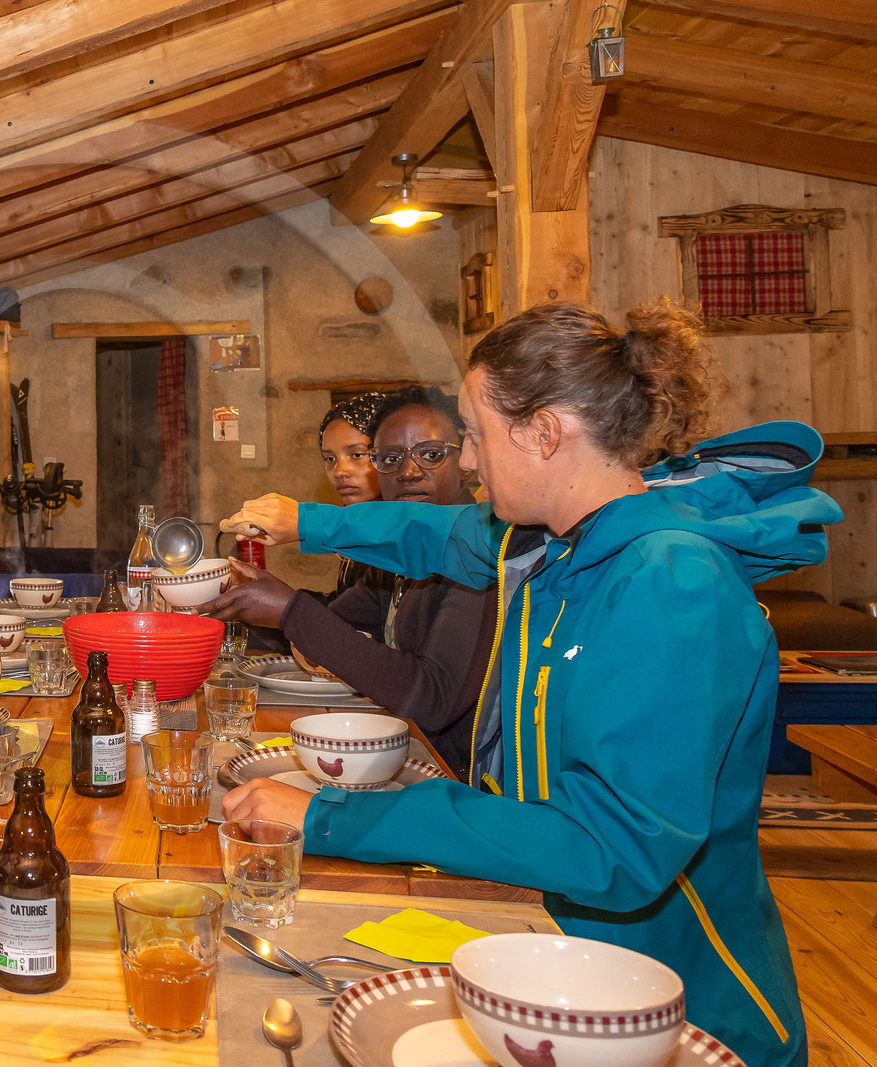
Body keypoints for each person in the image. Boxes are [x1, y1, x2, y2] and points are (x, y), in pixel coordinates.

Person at [222, 301, 836, 1067]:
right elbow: (433, 533)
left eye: (476, 434)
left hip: (671, 1012)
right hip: (548, 962)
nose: (469, 461)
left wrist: (331, 817)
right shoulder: (547, 544)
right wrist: (304, 521)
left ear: (545, 431)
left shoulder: (670, 584)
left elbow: (609, 847)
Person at [206, 387, 495, 774]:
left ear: (467, 460)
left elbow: (433, 697)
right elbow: (334, 620)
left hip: (449, 775)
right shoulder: (394, 558)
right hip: (398, 747)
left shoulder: (480, 558)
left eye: (431, 454)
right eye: (391, 459)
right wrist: (257, 598)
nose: (408, 471)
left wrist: (289, 610)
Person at [316, 392, 384, 594]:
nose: (339, 471)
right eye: (330, 459)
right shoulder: (358, 529)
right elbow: (344, 610)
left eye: (357, 455)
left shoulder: (396, 538)